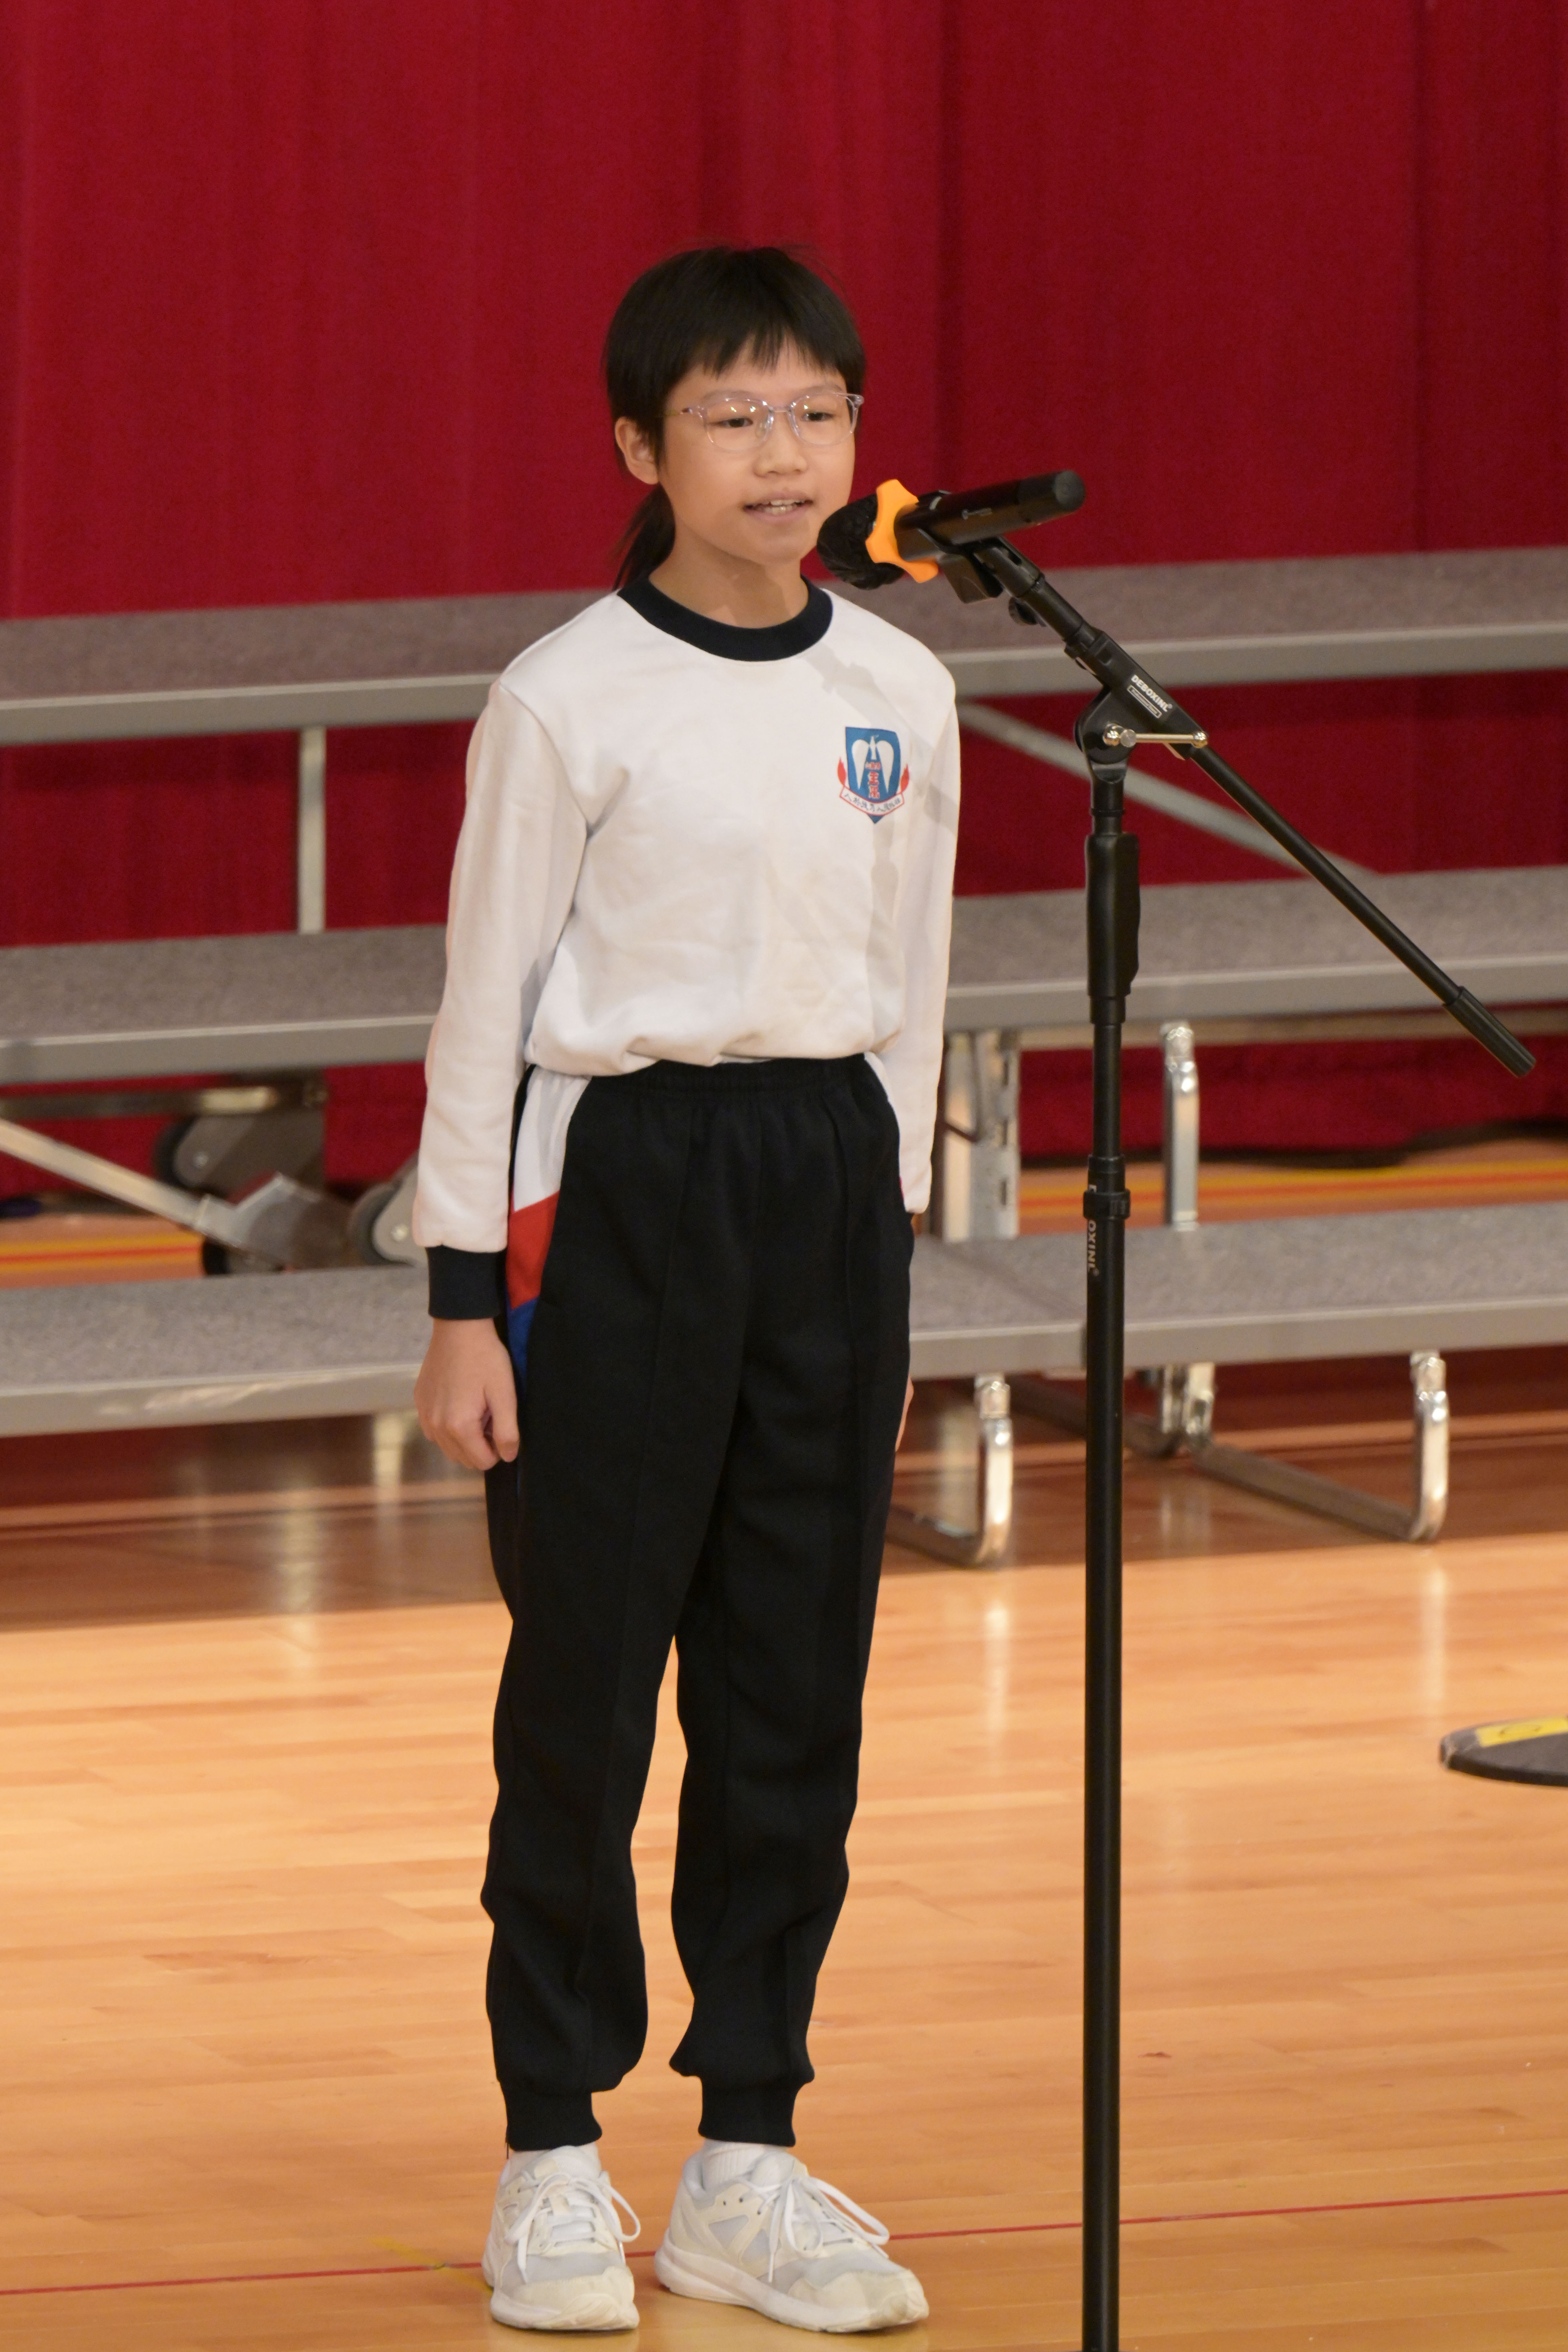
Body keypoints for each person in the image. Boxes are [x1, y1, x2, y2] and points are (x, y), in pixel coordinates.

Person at [413, 244, 959, 2334]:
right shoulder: (568, 696)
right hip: (620, 1190)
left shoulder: (899, 690)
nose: (783, 452)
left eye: (817, 410)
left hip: (826, 1188)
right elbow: (483, 1009)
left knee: (792, 1693)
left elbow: (912, 994)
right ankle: (552, 2148)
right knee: (584, 1693)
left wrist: (887, 1241)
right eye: (734, 417)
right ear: (643, 449)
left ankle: (751, 2152)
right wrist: (464, 1297)